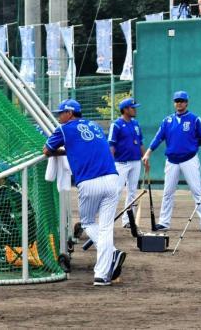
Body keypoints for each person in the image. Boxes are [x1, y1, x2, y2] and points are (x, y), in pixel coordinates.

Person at [43, 99, 125, 286]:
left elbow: (46, 150)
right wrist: (71, 151)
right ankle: (102, 275)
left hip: (89, 182)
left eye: (61, 113)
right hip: (113, 179)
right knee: (105, 228)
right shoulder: (94, 125)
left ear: (70, 113)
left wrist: (63, 152)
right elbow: (87, 146)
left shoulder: (64, 129)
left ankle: (112, 253)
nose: (59, 117)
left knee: (88, 223)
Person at [142, 91, 201, 231]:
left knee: (196, 190)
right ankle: (164, 222)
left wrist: (191, 147)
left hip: (189, 160)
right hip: (172, 160)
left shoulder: (194, 119)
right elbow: (158, 138)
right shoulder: (167, 121)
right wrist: (148, 153)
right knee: (168, 192)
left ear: (186, 102)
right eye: (176, 101)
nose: (179, 103)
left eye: (181, 100)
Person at [109, 98, 148, 228]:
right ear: (125, 110)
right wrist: (109, 163)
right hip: (121, 163)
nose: (135, 109)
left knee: (132, 192)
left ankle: (127, 221)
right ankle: (108, 219)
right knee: (116, 191)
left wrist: (145, 157)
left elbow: (140, 142)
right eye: (132, 107)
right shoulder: (116, 125)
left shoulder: (135, 123)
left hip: (136, 162)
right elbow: (111, 146)